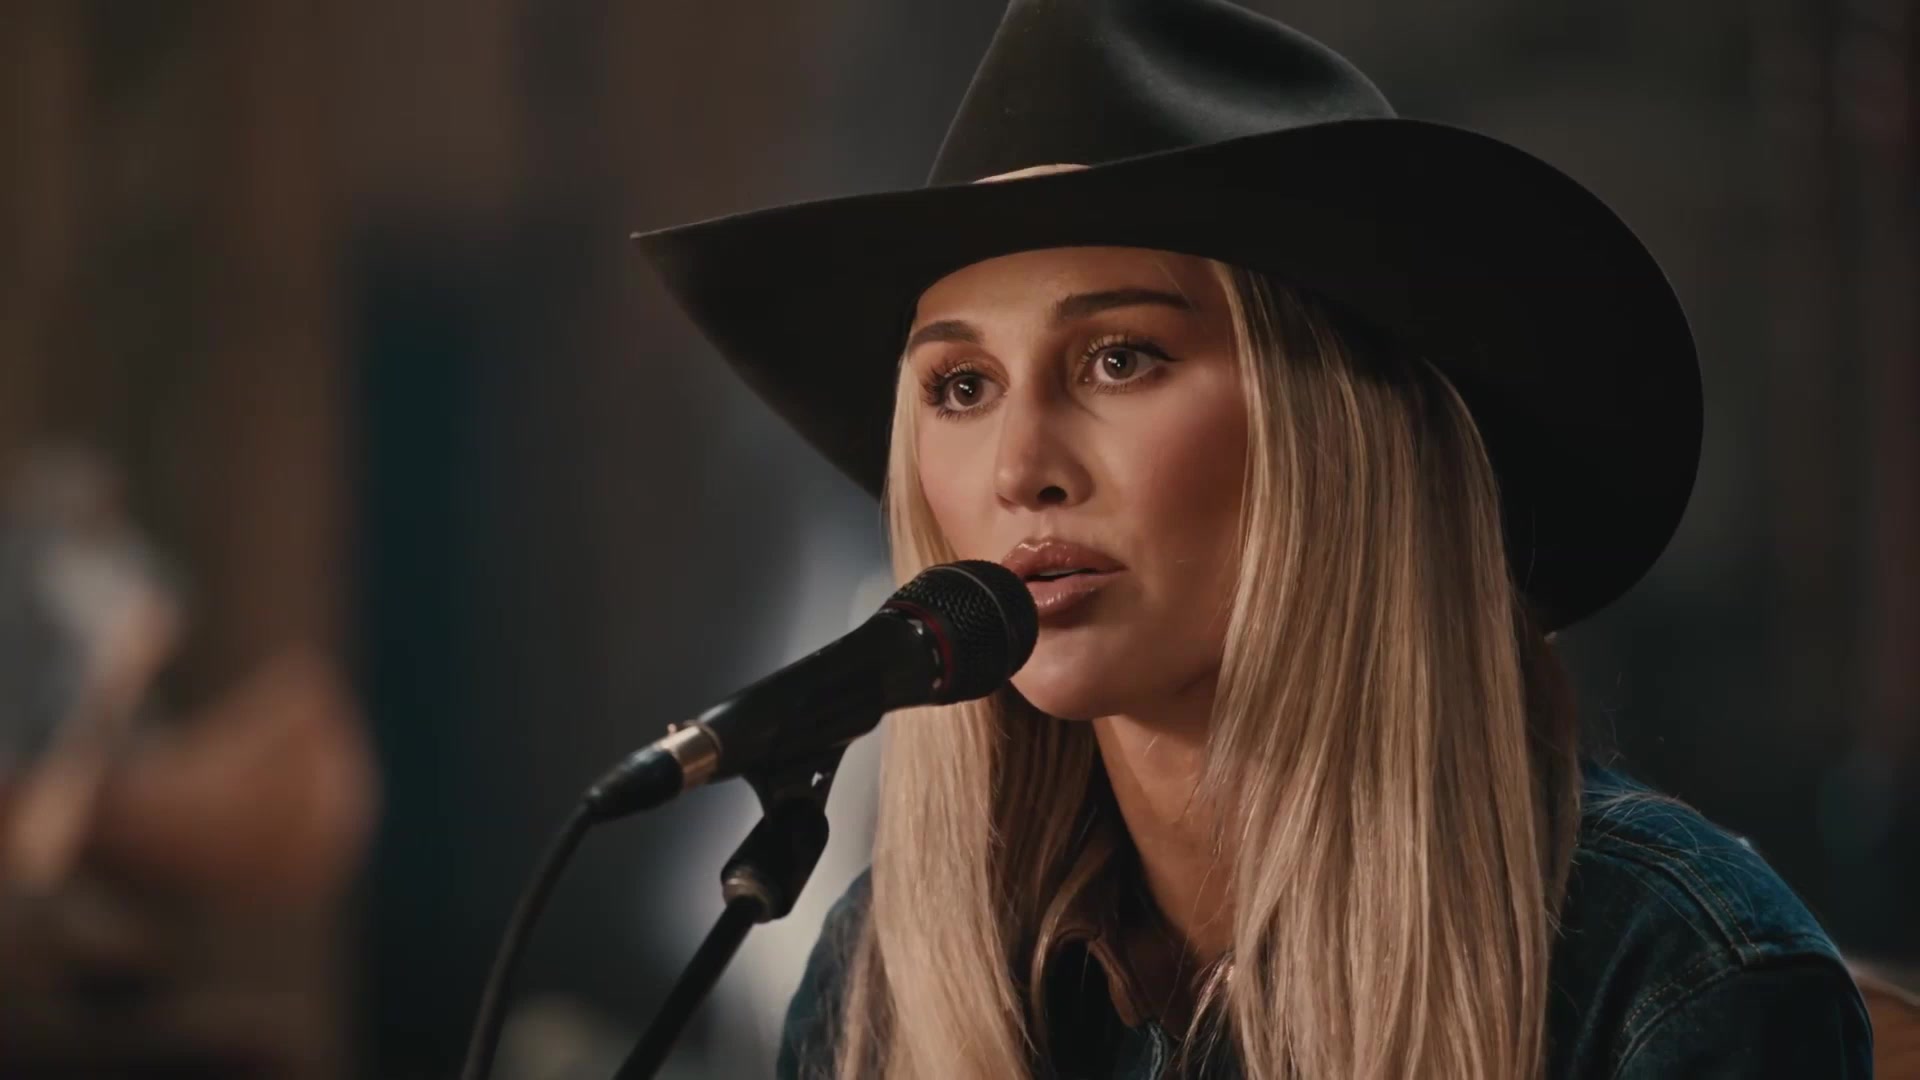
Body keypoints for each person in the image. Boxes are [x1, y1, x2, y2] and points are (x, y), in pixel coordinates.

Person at [633, 1, 1873, 1076]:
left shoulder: (1665, 974)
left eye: (1120, 358)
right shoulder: (877, 982)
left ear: (1330, 438)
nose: (1017, 469)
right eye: (962, 386)